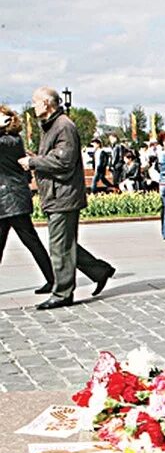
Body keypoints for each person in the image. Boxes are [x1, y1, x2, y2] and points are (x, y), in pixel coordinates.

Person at [19, 87, 115, 309]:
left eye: (36, 102)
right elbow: (55, 157)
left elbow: (64, 162)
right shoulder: (53, 126)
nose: (33, 106)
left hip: (63, 194)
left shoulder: (63, 126)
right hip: (58, 194)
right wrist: (38, 158)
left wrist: (33, 162)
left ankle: (62, 293)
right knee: (63, 243)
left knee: (59, 245)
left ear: (47, 104)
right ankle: (99, 271)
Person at [0, 106, 54, 293]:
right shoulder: (11, 140)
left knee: (30, 240)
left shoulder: (8, 141)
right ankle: (52, 278)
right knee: (27, 240)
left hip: (11, 197)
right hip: (9, 198)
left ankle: (52, 279)